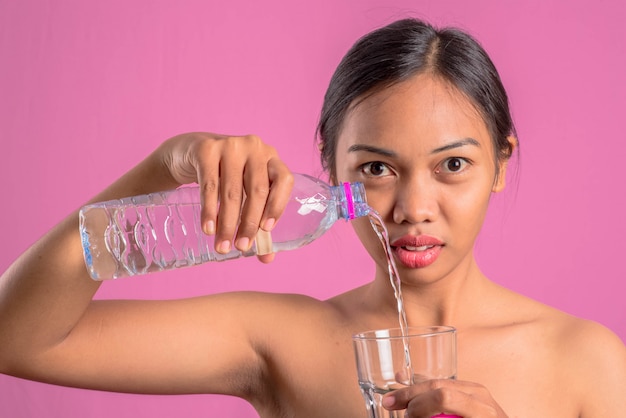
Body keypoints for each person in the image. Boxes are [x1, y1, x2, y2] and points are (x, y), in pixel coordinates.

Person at [0, 17, 624, 418]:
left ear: (501, 163)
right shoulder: (282, 343)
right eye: (376, 169)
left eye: (452, 165)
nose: (412, 208)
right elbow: (17, 337)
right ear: (331, 170)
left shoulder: (586, 361)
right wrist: (166, 166)